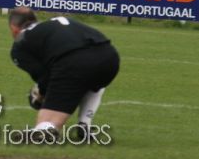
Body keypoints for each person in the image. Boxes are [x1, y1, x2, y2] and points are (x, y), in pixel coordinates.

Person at [7, 7, 120, 139]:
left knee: (46, 124)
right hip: (109, 57)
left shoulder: (20, 44)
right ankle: (84, 124)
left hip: (75, 62)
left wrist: (40, 94)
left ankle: (45, 129)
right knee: (94, 79)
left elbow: (45, 78)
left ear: (14, 28)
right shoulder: (55, 23)